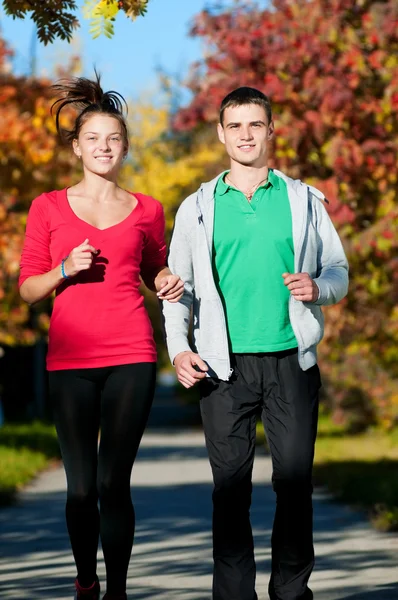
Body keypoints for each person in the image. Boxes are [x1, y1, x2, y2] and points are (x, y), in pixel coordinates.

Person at [162, 87, 348, 600]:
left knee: (293, 485)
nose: (246, 135)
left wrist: (320, 288)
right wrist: (178, 348)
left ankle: (291, 592)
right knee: (230, 493)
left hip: (291, 359)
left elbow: (337, 269)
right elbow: (178, 288)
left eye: (255, 125)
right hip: (221, 367)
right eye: (235, 126)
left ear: (271, 131)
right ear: (221, 134)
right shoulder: (197, 208)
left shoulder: (302, 199)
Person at [19, 73, 184, 600]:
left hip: (131, 353)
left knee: (114, 483)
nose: (104, 147)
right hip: (69, 359)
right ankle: (86, 580)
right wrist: (65, 267)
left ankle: (116, 592)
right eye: (93, 138)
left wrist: (164, 279)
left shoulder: (148, 209)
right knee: (81, 488)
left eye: (113, 139)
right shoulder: (47, 207)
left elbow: (155, 268)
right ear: (77, 147)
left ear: (125, 146)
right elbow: (27, 289)